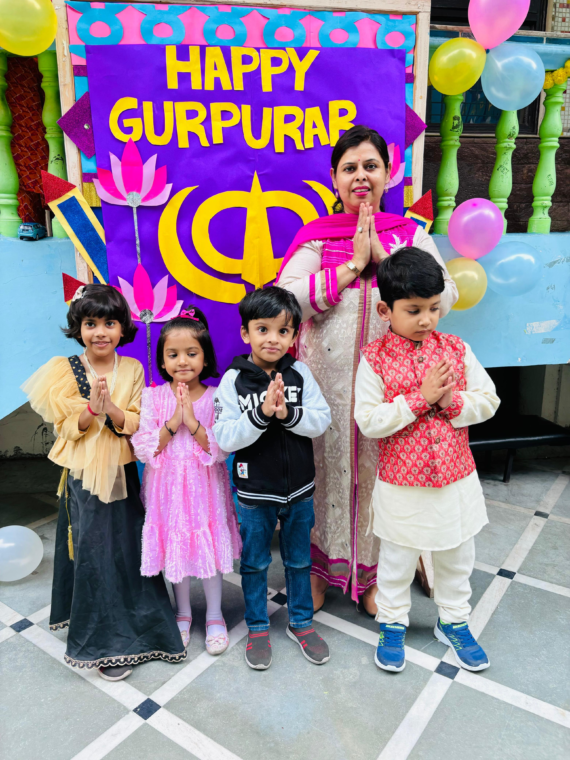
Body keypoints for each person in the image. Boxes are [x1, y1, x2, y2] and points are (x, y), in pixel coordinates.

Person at [277, 125, 458, 615]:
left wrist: (387, 262)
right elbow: (286, 298)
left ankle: (381, 576)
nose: (361, 176)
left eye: (370, 166)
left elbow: (448, 293)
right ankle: (319, 571)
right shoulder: (317, 237)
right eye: (349, 168)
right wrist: (353, 265)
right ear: (334, 179)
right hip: (326, 388)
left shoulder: (410, 236)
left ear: (388, 174)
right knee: (322, 470)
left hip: (397, 388)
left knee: (388, 476)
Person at [21, 284, 186, 681]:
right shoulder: (65, 369)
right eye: (91, 323)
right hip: (82, 479)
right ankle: (104, 643)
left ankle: (141, 630)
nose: (100, 332)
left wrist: (109, 408)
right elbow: (65, 429)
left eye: (109, 323)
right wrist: (88, 412)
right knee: (94, 555)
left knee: (129, 551)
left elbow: (136, 424)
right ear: (78, 327)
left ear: (122, 327)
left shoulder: (131, 369)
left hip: (122, 475)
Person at [354, 248, 499, 673]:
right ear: (386, 309)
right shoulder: (375, 359)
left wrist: (453, 401)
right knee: (397, 560)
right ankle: (393, 623)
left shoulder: (456, 348)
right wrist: (420, 400)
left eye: (434, 309)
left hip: (456, 479)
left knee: (457, 555)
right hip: (402, 482)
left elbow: (489, 401)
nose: (426, 320)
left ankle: (453, 621)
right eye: (414, 310)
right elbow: (368, 420)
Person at [213, 287, 331, 670]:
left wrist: (287, 415)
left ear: (294, 336)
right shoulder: (233, 380)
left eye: (283, 331)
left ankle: (301, 623)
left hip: (299, 490)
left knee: (298, 561)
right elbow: (226, 438)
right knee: (255, 563)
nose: (273, 339)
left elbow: (322, 421)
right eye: (263, 329)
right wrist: (262, 414)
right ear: (246, 333)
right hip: (253, 493)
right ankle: (258, 627)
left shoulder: (300, 373)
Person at [132, 308, 241, 656]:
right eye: (173, 354)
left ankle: (213, 615)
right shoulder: (152, 397)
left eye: (192, 353)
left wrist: (192, 422)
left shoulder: (216, 396)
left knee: (206, 544)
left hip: (205, 488)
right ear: (162, 359)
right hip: (165, 490)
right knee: (175, 546)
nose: (182, 361)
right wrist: (172, 422)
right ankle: (182, 613)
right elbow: (144, 448)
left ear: (205, 356)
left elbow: (221, 448)